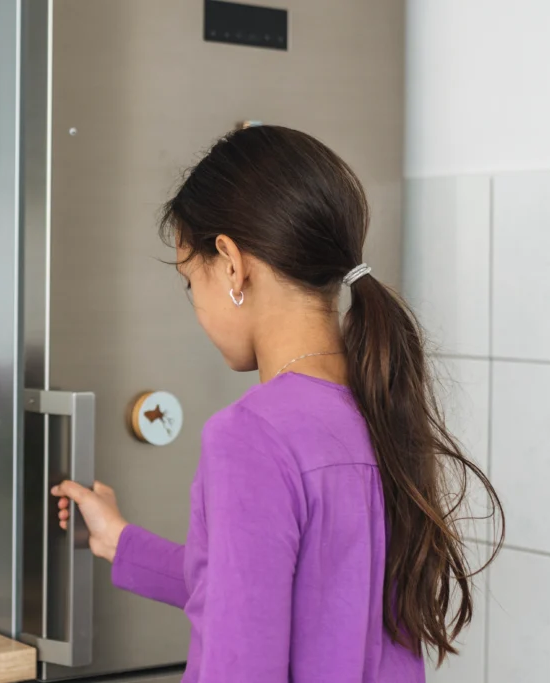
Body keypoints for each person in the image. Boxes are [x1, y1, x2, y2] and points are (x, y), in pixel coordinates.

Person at [51, 125, 503, 682]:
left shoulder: (251, 434)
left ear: (231, 263)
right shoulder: (381, 404)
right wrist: (119, 540)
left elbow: (243, 659)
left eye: (191, 283)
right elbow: (291, 597)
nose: (196, 307)